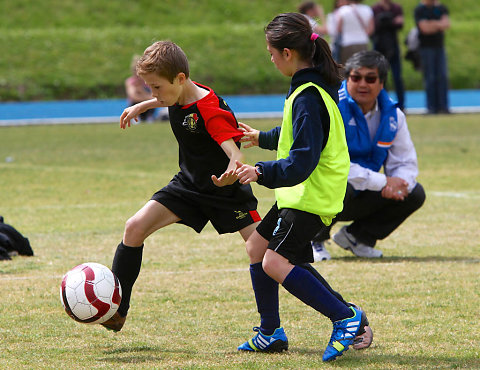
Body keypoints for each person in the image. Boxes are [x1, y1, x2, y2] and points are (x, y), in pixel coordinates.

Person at [234, 13, 372, 362]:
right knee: (257, 248)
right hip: (299, 194)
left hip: (310, 195)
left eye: (270, 52)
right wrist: (261, 138)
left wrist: (261, 173)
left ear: (287, 53)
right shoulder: (308, 88)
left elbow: (303, 159)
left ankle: (345, 316)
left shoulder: (309, 94)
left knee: (275, 262)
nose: (270, 58)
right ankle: (270, 333)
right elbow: (297, 133)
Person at [101, 40, 263, 332]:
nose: (154, 93)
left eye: (156, 87)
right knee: (134, 227)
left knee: (264, 254)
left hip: (225, 192)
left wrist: (230, 172)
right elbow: (172, 98)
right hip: (188, 186)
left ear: (180, 78)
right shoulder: (181, 90)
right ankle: (116, 310)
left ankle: (284, 323)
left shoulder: (209, 110)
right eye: (149, 87)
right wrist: (145, 104)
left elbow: (236, 154)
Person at [311, 50, 426, 260]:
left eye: (370, 78)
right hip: (329, 185)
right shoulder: (332, 107)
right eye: (356, 77)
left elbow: (405, 161)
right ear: (347, 79)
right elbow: (333, 164)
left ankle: (357, 237)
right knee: (338, 184)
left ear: (381, 83)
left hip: (364, 186)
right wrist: (383, 181)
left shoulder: (393, 115)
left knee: (414, 193)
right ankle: (313, 239)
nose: (363, 84)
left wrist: (400, 183)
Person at [414, 0, 450, 114]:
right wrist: (438, 24)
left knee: (442, 76)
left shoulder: (441, 8)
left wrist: (431, 24)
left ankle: (443, 107)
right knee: (430, 77)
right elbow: (424, 29)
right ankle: (431, 107)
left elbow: (446, 24)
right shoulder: (420, 9)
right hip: (426, 48)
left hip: (439, 47)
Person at [371, 0, 405, 110]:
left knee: (397, 77)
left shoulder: (396, 8)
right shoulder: (375, 9)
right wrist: (391, 21)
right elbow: (374, 26)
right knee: (381, 77)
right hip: (379, 46)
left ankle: (401, 105)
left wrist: (385, 21)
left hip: (393, 45)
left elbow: (400, 24)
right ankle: (383, 103)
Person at [337, 0, 374, 65]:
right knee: (361, 66)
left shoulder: (343, 10)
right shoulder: (367, 9)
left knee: (347, 67)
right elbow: (371, 29)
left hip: (347, 42)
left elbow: (339, 29)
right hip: (363, 42)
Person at [125, 55, 157, 122]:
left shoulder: (148, 81)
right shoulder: (130, 82)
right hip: (135, 105)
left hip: (148, 107)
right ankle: (136, 117)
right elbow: (133, 97)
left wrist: (143, 92)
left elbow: (154, 96)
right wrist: (147, 98)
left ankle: (149, 117)